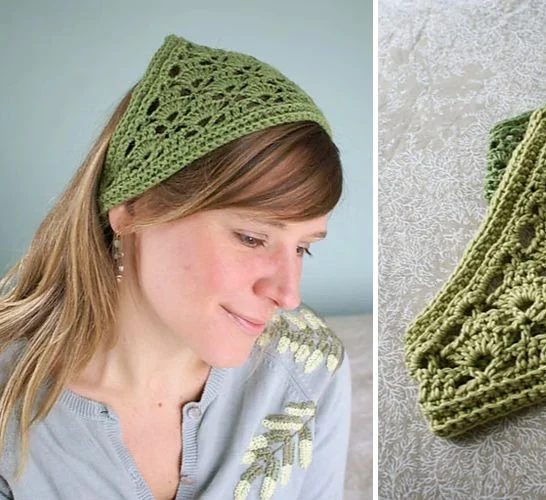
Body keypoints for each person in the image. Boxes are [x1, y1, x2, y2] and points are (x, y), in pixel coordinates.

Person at [0, 33, 350, 500]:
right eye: (251, 237)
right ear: (134, 208)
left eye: (304, 248)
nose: (287, 294)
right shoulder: (12, 413)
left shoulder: (310, 367)